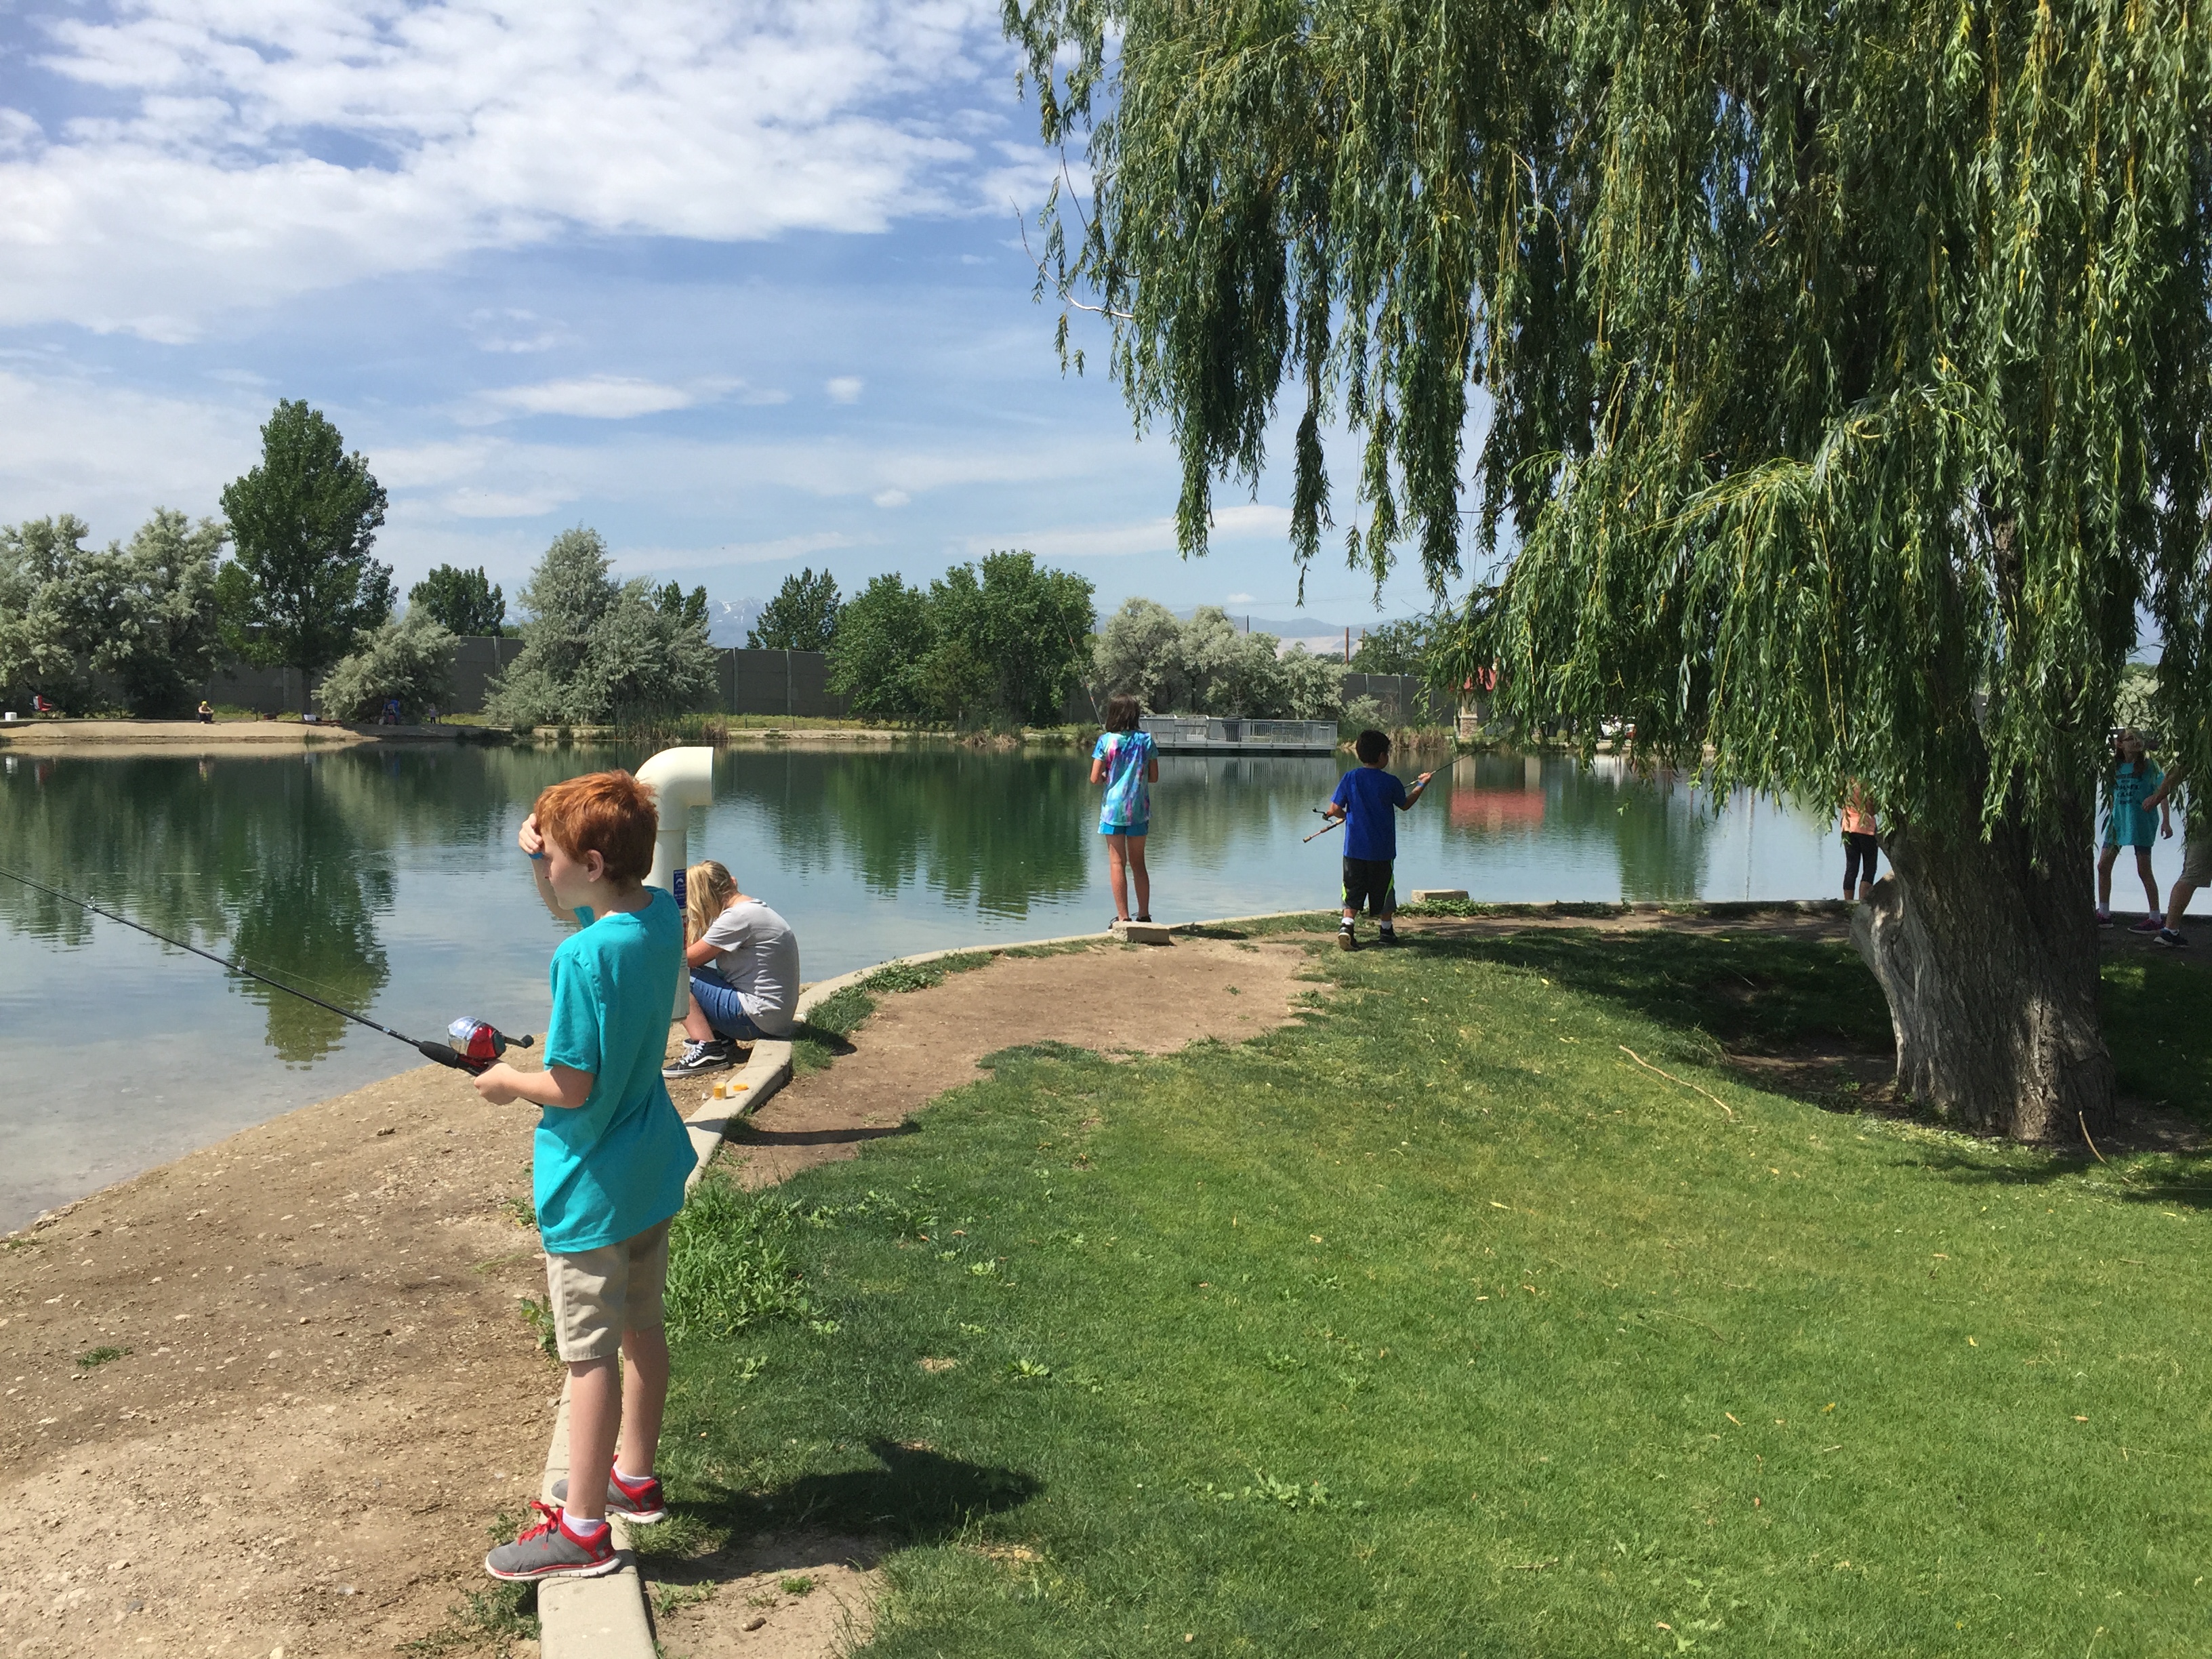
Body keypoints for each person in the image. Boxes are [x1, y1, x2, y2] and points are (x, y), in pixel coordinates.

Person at [474, 772, 692, 1582]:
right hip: (650, 1173)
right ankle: (632, 1478)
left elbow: (571, 1087)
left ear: (594, 863)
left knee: (589, 1354)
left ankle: (585, 1530)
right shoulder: (660, 915)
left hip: (592, 1186)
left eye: (555, 856)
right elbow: (592, 883)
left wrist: (504, 1081)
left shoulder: (582, 957)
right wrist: (544, 843)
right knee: (644, 1324)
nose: (546, 869)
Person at [663, 859, 800, 1078]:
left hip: (756, 1018)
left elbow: (686, 959)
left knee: (673, 974)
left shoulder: (736, 918)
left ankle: (708, 1048)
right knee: (696, 975)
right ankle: (720, 1037)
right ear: (731, 882)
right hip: (773, 1016)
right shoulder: (751, 909)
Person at [1322, 729, 1433, 950]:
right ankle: (1386, 931)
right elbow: (1405, 804)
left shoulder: (1350, 778)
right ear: (1383, 756)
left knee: (1352, 889)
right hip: (1382, 850)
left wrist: (1347, 817)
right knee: (1384, 889)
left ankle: (1347, 926)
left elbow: (1334, 809)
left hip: (1354, 849)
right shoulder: (1390, 782)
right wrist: (1421, 785)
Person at [1091, 693, 1160, 924]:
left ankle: (1123, 918)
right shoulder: (1146, 741)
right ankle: (1144, 915)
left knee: (1117, 863)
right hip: (1138, 810)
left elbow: (1094, 778)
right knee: (1138, 863)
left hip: (1113, 811)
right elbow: (1154, 777)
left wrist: (1105, 775)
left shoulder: (1106, 741)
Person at [2096, 728, 2170, 931]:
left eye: (2138, 738)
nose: (2135, 742)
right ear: (2120, 744)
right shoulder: (2114, 768)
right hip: (2118, 822)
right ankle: (2104, 913)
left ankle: (2155, 918)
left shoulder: (2149, 766)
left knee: (2144, 870)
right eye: (2130, 739)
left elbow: (2163, 791)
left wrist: (2166, 821)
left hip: (2141, 822)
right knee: (2103, 866)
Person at [2143, 764, 2203, 948]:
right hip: (2204, 820)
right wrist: (2157, 798)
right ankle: (2169, 931)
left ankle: (2170, 931)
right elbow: (2177, 773)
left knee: (2191, 875)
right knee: (2191, 875)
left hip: (2202, 819)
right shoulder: (2201, 744)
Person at [1841, 782, 1880, 901]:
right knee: (1869, 867)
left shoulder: (1844, 782)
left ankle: (1848, 904)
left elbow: (1839, 803)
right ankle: (1863, 903)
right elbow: (1871, 810)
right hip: (1866, 829)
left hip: (1848, 828)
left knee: (1851, 866)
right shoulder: (1866, 784)